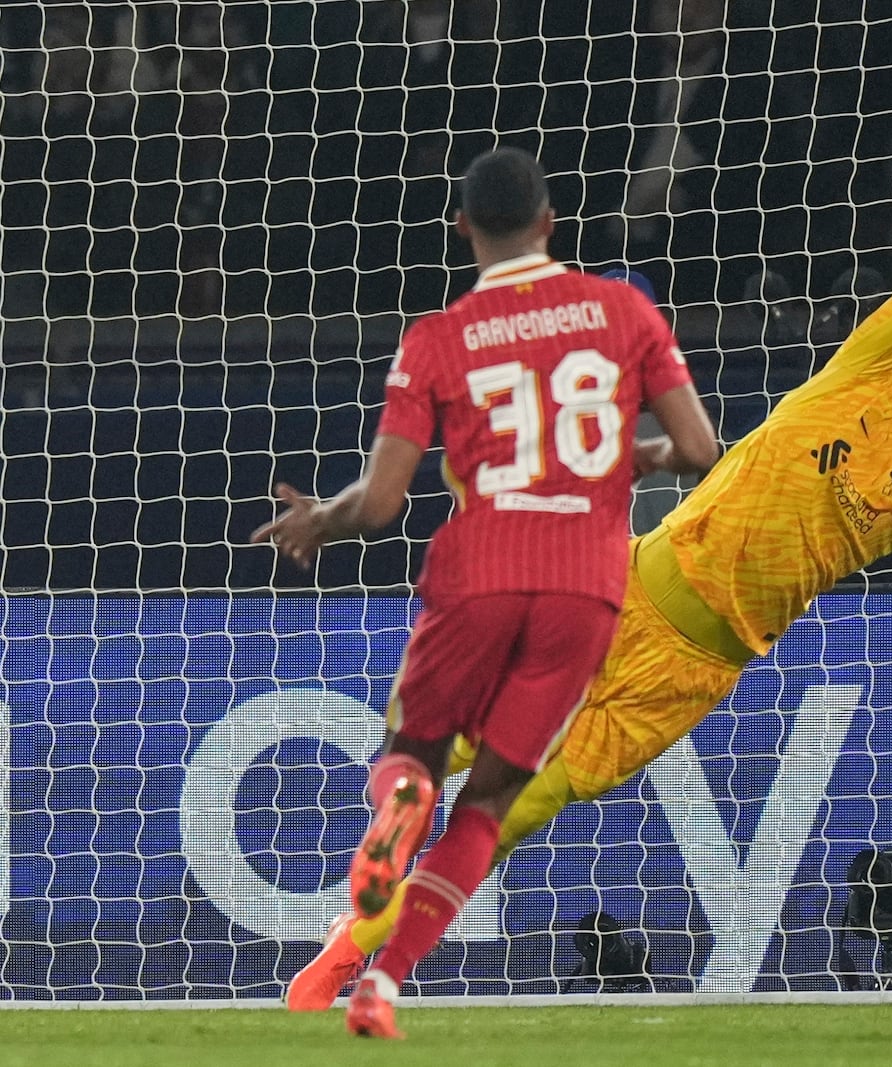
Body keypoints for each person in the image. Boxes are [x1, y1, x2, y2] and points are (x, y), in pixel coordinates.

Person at [284, 139, 892, 1011]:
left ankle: (351, 951)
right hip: (631, 588)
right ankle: (398, 811)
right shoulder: (856, 377)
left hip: (694, 671)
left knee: (511, 815)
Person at [253, 146, 720, 1039]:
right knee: (489, 808)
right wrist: (630, 455)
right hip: (587, 582)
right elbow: (700, 450)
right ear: (550, 222)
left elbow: (383, 503)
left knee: (413, 757)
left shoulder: (438, 336)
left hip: (481, 568)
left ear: (462, 228)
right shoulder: (624, 310)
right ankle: (385, 981)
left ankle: (401, 798)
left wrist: (320, 518)